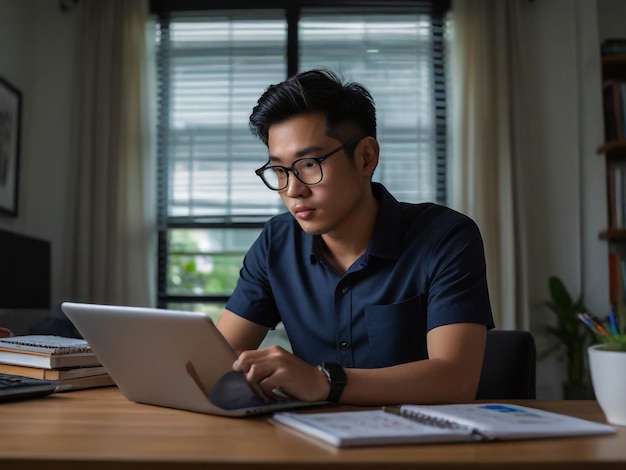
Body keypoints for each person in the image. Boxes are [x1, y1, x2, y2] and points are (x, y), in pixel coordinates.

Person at [217, 69, 494, 406]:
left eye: (309, 164)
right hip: (311, 444)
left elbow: (455, 381)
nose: (293, 189)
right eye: (279, 170)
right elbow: (216, 361)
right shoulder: (278, 242)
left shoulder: (445, 238)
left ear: (366, 157)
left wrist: (324, 382)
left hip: (422, 446)